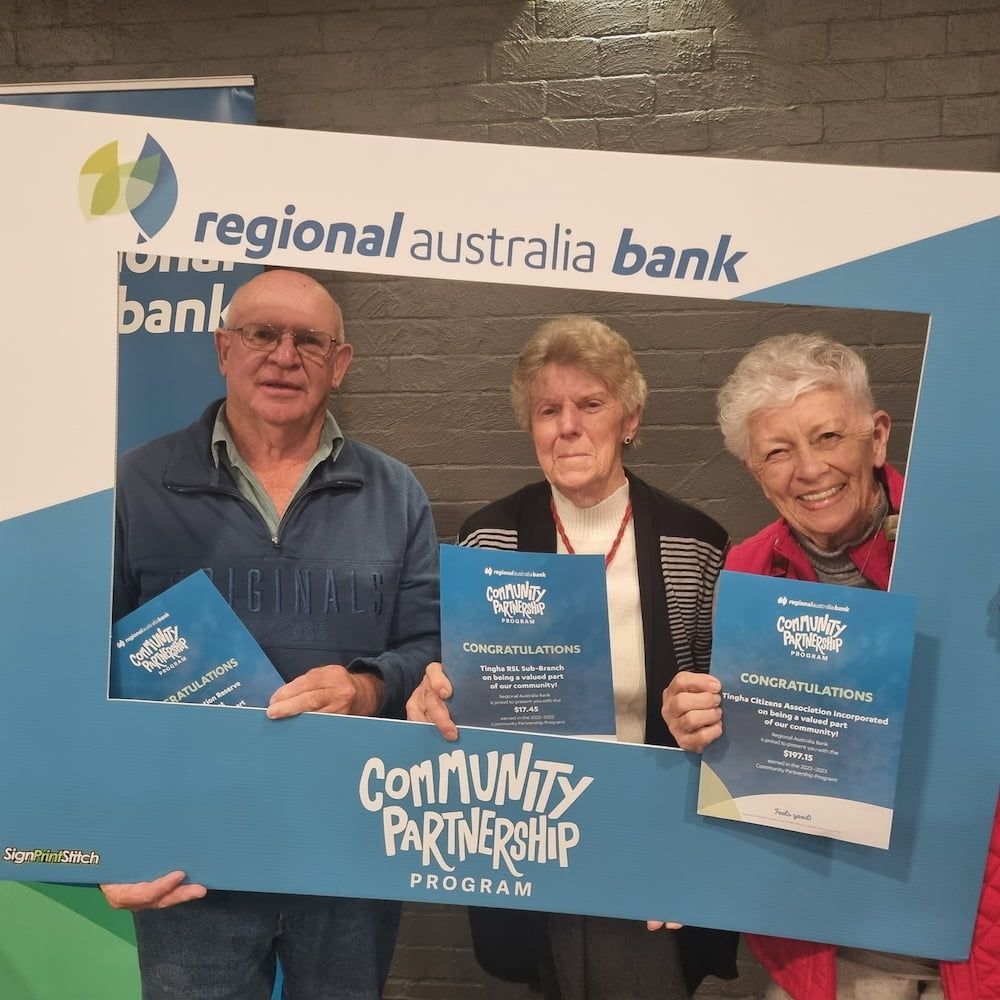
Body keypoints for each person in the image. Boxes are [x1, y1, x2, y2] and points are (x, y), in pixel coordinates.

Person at [102, 269, 440, 1000]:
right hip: (189, 857)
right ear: (224, 348)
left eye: (309, 341)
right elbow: (82, 674)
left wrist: (366, 684)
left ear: (339, 364)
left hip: (350, 845)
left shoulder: (396, 493)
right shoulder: (134, 486)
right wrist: (104, 839)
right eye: (262, 334)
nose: (284, 356)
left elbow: (429, 649)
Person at [406, 315, 738, 999]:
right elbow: (462, 686)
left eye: (590, 404)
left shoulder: (694, 543)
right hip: (526, 826)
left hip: (642, 835)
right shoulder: (487, 538)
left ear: (630, 419)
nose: (568, 426)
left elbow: (723, 715)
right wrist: (435, 693)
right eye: (548, 410)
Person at [661, 333, 1000, 1000]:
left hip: (972, 919)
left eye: (827, 437)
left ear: (877, 438)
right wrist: (697, 722)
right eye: (778, 452)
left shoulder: (974, 550)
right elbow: (749, 757)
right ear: (755, 473)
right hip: (825, 932)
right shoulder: (747, 571)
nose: (809, 469)